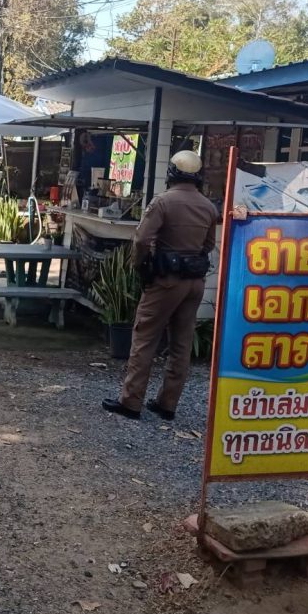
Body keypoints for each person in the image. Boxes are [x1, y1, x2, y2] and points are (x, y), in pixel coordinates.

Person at [102, 150, 217, 421]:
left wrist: (140, 266)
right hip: (194, 282)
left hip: (165, 281)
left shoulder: (163, 202)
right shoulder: (209, 207)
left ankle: (131, 402)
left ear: (171, 173)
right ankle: (167, 404)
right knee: (181, 344)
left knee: (145, 338)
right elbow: (209, 245)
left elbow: (142, 240)